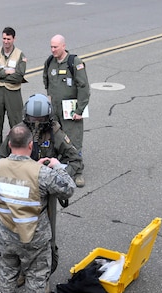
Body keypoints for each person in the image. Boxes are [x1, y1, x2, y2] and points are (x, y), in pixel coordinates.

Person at [0, 124, 75, 293]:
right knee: (37, 275)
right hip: (34, 237)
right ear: (31, 145)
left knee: (8, 273)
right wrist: (55, 166)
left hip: (7, 233)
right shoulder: (42, 173)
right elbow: (68, 189)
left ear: (9, 144)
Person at [0, 93, 83, 178]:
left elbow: (75, 159)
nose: (37, 124)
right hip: (23, 176)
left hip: (47, 178)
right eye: (33, 119)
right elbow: (1, 158)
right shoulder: (19, 132)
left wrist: (61, 175)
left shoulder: (55, 133)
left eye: (41, 119)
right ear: (27, 116)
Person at [42, 34, 90, 187]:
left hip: (71, 110)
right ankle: (61, 168)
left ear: (63, 46)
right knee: (57, 139)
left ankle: (78, 172)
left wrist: (80, 110)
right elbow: (46, 81)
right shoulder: (50, 62)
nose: (53, 50)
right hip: (55, 110)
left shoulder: (74, 62)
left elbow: (84, 87)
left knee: (74, 140)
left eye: (55, 47)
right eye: (51, 47)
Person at [0, 27, 27, 165]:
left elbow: (19, 76)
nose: (6, 41)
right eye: (4, 38)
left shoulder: (20, 54)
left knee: (16, 124)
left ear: (14, 39)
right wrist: (8, 73)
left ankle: (17, 152)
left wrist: (1, 74)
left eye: (8, 39)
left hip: (13, 93)